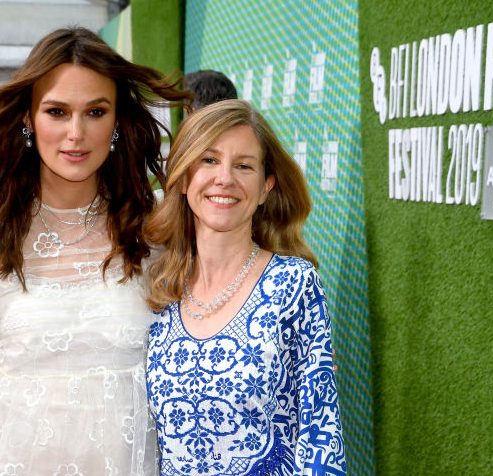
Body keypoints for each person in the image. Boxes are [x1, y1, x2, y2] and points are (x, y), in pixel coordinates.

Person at [0, 26, 188, 475]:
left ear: (117, 121)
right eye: (57, 111)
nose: (76, 133)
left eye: (95, 112)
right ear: (28, 118)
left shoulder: (157, 229)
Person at [144, 99, 346, 475]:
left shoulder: (294, 285)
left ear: (266, 186)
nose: (225, 178)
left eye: (244, 166)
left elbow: (322, 434)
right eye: (209, 160)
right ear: (184, 177)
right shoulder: (158, 289)